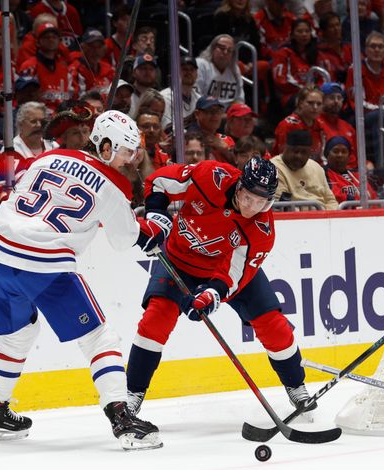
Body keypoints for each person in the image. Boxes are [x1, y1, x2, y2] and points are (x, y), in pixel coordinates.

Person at [0, 110, 166, 450]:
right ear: (105, 146)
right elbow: (124, 239)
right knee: (99, 336)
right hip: (42, 263)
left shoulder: (46, 158)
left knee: (18, 334)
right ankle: (121, 418)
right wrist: (151, 232)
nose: (128, 160)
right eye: (124, 151)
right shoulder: (113, 186)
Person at [125, 157, 319, 420]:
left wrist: (213, 293)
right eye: (248, 197)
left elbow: (235, 274)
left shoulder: (262, 229)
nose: (252, 207)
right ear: (238, 186)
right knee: (154, 321)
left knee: (274, 325)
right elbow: (158, 182)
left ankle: (296, 386)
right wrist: (157, 219)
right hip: (179, 259)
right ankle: (133, 395)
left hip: (223, 270)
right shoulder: (209, 176)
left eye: (261, 202)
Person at [272, 129, 338, 209]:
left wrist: (328, 216)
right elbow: (281, 207)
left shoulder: (316, 167)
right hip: (296, 219)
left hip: (324, 217)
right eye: (295, 151)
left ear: (310, 153)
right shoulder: (273, 168)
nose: (298, 156)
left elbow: (330, 201)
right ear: (285, 148)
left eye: (304, 152)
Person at [272, 86, 326, 161]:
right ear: (300, 103)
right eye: (310, 103)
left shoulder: (320, 125)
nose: (315, 107)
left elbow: (320, 156)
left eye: (319, 104)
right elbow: (284, 157)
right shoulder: (288, 125)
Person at [195, 34, 245, 112]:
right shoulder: (201, 64)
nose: (225, 52)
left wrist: (235, 111)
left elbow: (239, 98)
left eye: (229, 50)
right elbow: (196, 96)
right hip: (206, 112)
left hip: (228, 115)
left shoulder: (234, 69)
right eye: (222, 48)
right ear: (212, 48)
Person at [323, 136, 376, 202]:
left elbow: (373, 197)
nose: (340, 155)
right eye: (335, 151)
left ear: (349, 156)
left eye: (344, 151)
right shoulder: (322, 174)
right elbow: (333, 196)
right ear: (327, 154)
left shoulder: (357, 175)